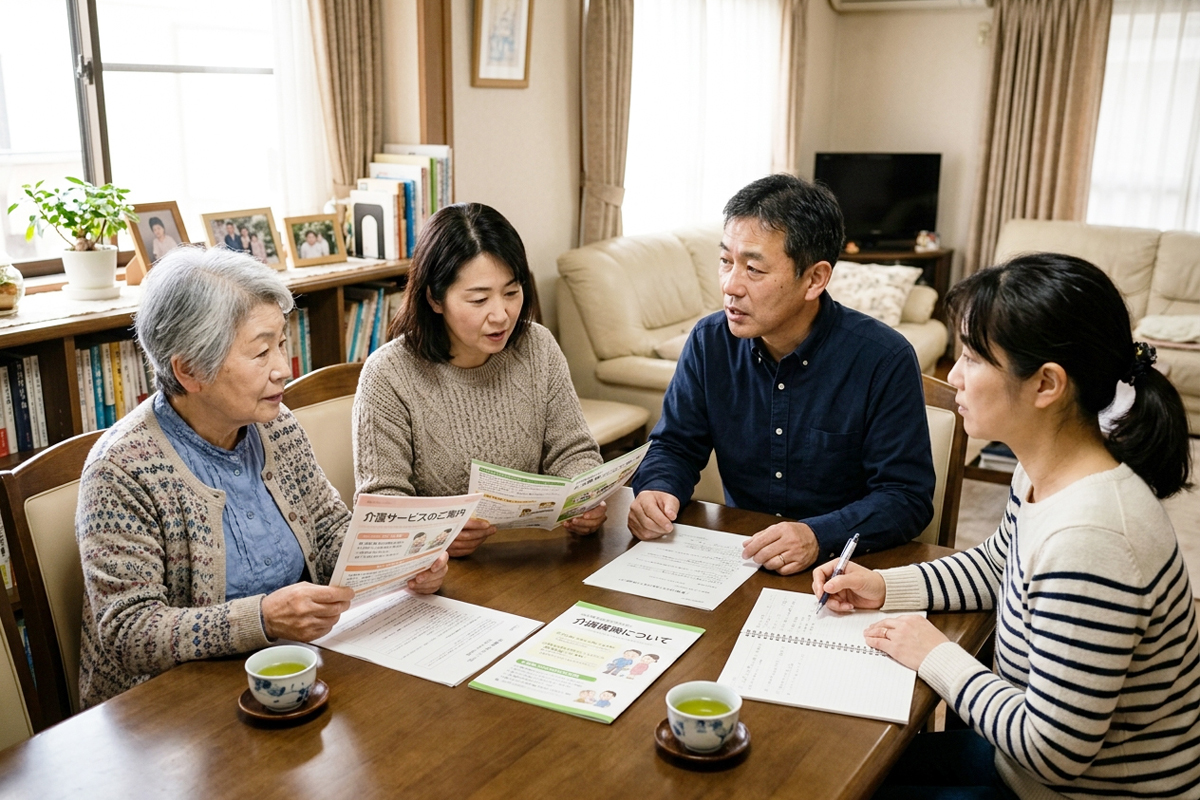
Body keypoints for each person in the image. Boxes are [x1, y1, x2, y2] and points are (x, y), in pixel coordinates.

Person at [813, 253, 1200, 799]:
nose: (953, 376)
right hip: (1016, 768)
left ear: (1046, 384)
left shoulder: (1092, 538)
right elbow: (999, 564)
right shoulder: (1042, 468)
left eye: (972, 358)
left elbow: (1054, 752)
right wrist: (884, 586)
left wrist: (933, 653)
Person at [76, 247, 449, 708]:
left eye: (282, 344)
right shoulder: (121, 470)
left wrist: (402, 563)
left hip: (290, 673)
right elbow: (129, 632)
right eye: (260, 351)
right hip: (167, 710)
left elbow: (329, 532)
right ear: (188, 370)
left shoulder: (276, 425)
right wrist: (263, 619)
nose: (283, 369)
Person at [628, 174, 934, 573]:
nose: (731, 286)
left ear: (814, 279)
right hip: (742, 560)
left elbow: (906, 497)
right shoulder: (709, 342)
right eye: (726, 261)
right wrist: (657, 488)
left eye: (754, 269)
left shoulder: (883, 359)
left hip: (845, 572)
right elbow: (675, 446)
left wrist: (819, 535)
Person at [353, 203, 604, 556]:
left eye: (512, 293)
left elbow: (573, 451)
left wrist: (586, 497)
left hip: (533, 556)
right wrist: (436, 535)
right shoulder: (388, 375)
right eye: (479, 299)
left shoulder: (538, 347)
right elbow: (382, 502)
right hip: (437, 572)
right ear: (435, 298)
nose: (501, 315)